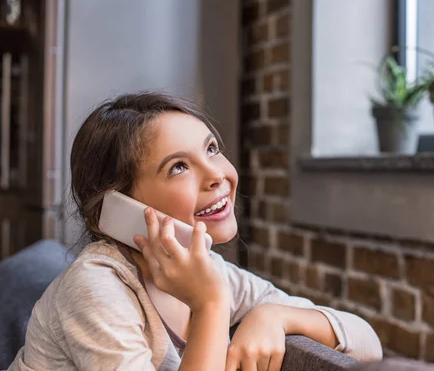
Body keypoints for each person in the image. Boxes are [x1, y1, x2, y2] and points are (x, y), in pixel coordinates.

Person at [8, 92, 382, 371]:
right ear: (118, 209)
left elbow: (368, 345)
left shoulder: (210, 273)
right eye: (178, 167)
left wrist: (274, 316)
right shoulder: (95, 288)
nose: (217, 173)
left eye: (212, 149)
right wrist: (210, 306)